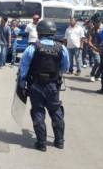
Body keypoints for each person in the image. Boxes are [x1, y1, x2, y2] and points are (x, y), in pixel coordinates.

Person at [18, 20, 69, 152]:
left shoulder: (32, 48)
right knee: (56, 111)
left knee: (38, 111)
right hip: (53, 85)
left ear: (39, 32)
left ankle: (41, 144)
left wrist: (22, 83)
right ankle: (59, 142)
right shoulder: (61, 48)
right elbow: (65, 67)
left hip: (35, 85)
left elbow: (23, 68)